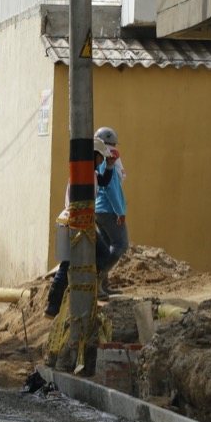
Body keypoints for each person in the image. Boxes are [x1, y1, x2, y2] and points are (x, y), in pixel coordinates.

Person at [43, 139, 119, 318]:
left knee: (68, 264)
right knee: (100, 254)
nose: (101, 161)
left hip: (74, 221)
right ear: (93, 155)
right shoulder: (83, 174)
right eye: (100, 157)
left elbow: (105, 181)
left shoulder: (88, 173)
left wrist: (109, 166)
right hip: (77, 223)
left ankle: (54, 305)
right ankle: (78, 295)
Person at [94, 126, 129, 295]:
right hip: (108, 210)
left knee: (108, 245)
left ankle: (103, 287)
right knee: (120, 245)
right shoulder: (106, 158)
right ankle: (98, 279)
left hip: (99, 210)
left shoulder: (101, 159)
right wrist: (119, 211)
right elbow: (110, 188)